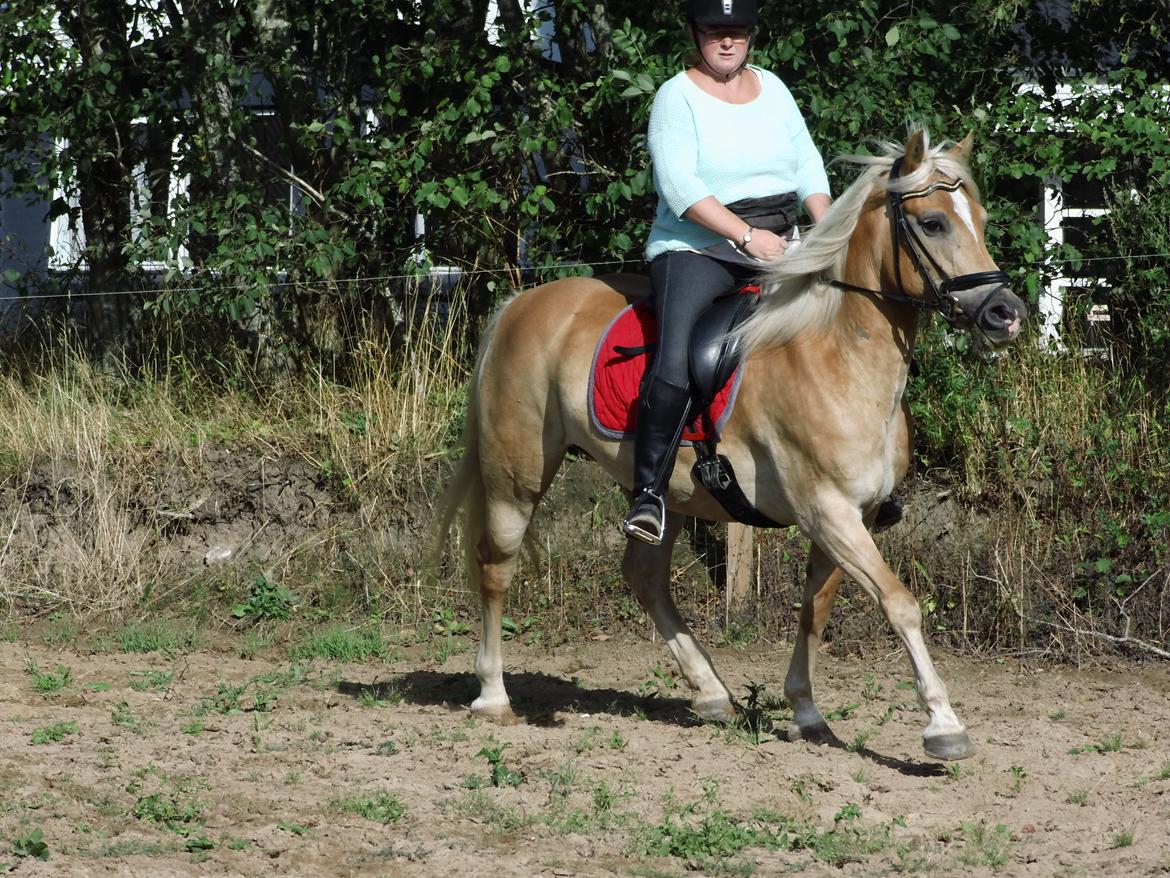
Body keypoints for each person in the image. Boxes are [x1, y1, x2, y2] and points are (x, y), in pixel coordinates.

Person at [622, 0, 832, 544]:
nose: (726, 42)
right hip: (699, 248)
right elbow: (680, 186)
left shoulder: (775, 88)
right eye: (715, 32)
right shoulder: (676, 97)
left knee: (839, 328)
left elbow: (807, 161)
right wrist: (744, 235)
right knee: (676, 358)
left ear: (751, 37)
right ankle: (649, 493)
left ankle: (857, 472)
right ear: (696, 35)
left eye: (736, 32)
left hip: (782, 244)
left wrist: (827, 230)